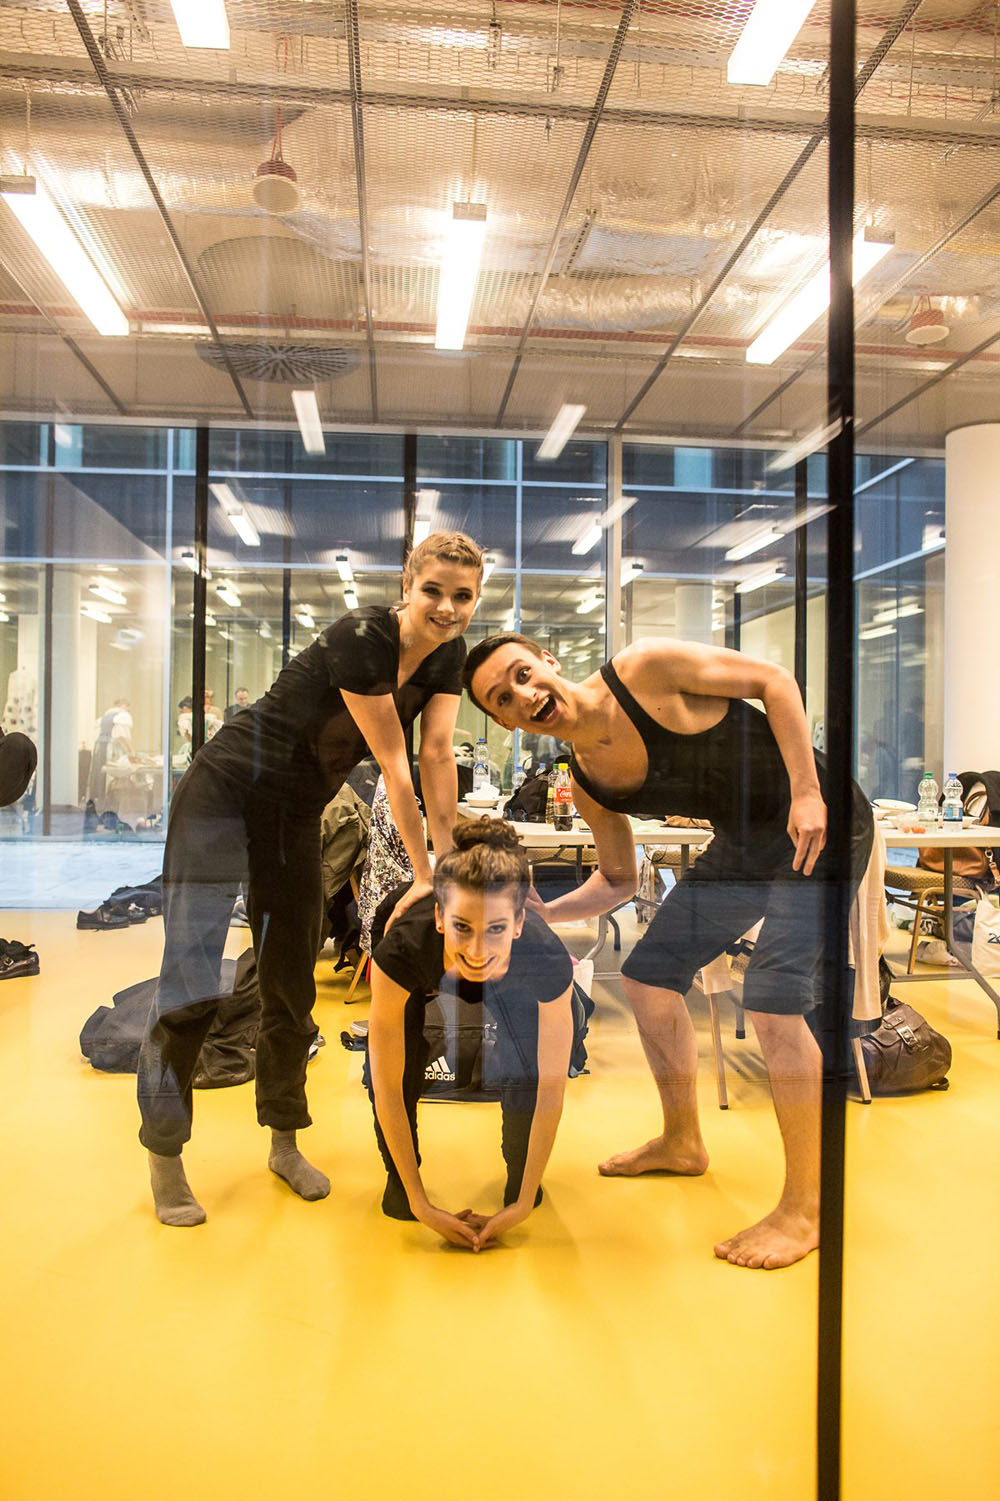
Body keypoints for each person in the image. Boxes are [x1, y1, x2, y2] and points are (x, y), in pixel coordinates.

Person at [465, 632, 873, 1270]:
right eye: (503, 699)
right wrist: (545, 911)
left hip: (823, 824)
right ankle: (682, 1141)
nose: (524, 695)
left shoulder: (644, 670)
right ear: (505, 724)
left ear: (548, 659)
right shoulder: (588, 782)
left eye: (521, 674)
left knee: (773, 1000)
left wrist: (806, 791)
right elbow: (619, 880)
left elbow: (774, 681)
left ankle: (807, 1208)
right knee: (649, 976)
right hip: (744, 847)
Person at [139, 531, 483, 1227]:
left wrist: (446, 864)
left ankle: (284, 1140)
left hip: (295, 813)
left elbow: (439, 754)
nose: (447, 608)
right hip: (224, 793)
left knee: (292, 978)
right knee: (192, 978)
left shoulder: (450, 654)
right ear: (407, 585)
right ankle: (165, 1151)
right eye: (433, 591)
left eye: (463, 595)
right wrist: (425, 874)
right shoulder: (362, 637)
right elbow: (395, 767)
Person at [367, 819, 574, 1250]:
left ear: (519, 922)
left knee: (525, 1076)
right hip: (422, 961)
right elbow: (387, 1085)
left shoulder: (544, 957)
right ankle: (402, 1180)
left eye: (496, 928)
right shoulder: (402, 949)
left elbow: (551, 1087)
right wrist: (421, 1203)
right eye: (463, 926)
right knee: (400, 1198)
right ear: (440, 917)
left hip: (515, 982)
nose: (478, 952)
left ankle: (521, 1178)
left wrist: (521, 1204)